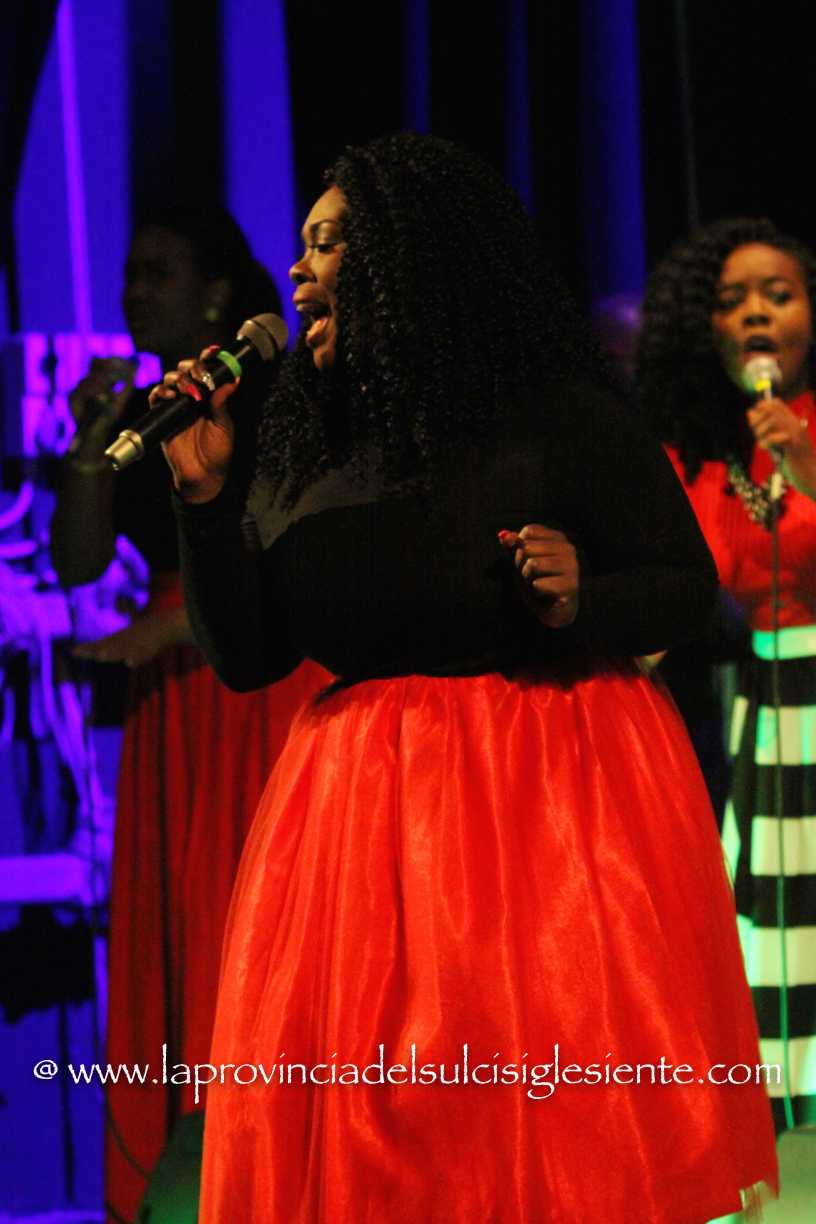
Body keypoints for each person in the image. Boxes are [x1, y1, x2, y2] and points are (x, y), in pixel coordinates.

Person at [160, 136, 776, 1223]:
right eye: (301, 245)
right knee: (389, 1153)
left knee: (534, 1134)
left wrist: (583, 599)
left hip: (539, 809)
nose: (297, 269)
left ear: (407, 258)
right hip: (359, 828)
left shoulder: (551, 411)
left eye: (327, 242)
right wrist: (205, 504)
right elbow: (249, 658)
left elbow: (685, 587)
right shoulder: (301, 444)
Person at [49, 208, 330, 1223]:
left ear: (216, 295)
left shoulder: (267, 393)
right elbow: (79, 562)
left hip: (252, 680)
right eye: (129, 275)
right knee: (179, 919)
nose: (133, 295)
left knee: (244, 920)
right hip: (177, 708)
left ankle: (274, 1165)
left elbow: (290, 552)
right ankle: (191, 1173)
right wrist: (90, 448)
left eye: (156, 275)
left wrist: (168, 628)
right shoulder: (146, 411)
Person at [637, 216, 816, 1132]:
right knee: (767, 907)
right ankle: (782, 1097)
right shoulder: (693, 459)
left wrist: (804, 464)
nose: (755, 315)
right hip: (753, 704)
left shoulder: (804, 433)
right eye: (731, 300)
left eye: (777, 296)